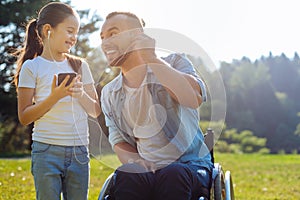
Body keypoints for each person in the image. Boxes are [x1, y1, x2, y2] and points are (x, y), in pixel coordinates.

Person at [100, 11, 213, 200]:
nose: (105, 43)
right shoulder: (109, 93)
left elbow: (192, 98)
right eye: (102, 37)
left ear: (137, 36)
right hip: (149, 169)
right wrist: (138, 163)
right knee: (128, 173)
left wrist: (151, 58)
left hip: (189, 166)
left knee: (173, 173)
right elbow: (119, 141)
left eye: (113, 34)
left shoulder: (175, 62)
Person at [13, 2, 101, 200]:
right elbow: (25, 117)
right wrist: (55, 97)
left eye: (76, 33)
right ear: (48, 30)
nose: (74, 38)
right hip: (46, 150)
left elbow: (96, 110)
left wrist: (80, 95)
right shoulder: (31, 67)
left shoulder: (80, 66)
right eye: (70, 31)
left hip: (79, 151)